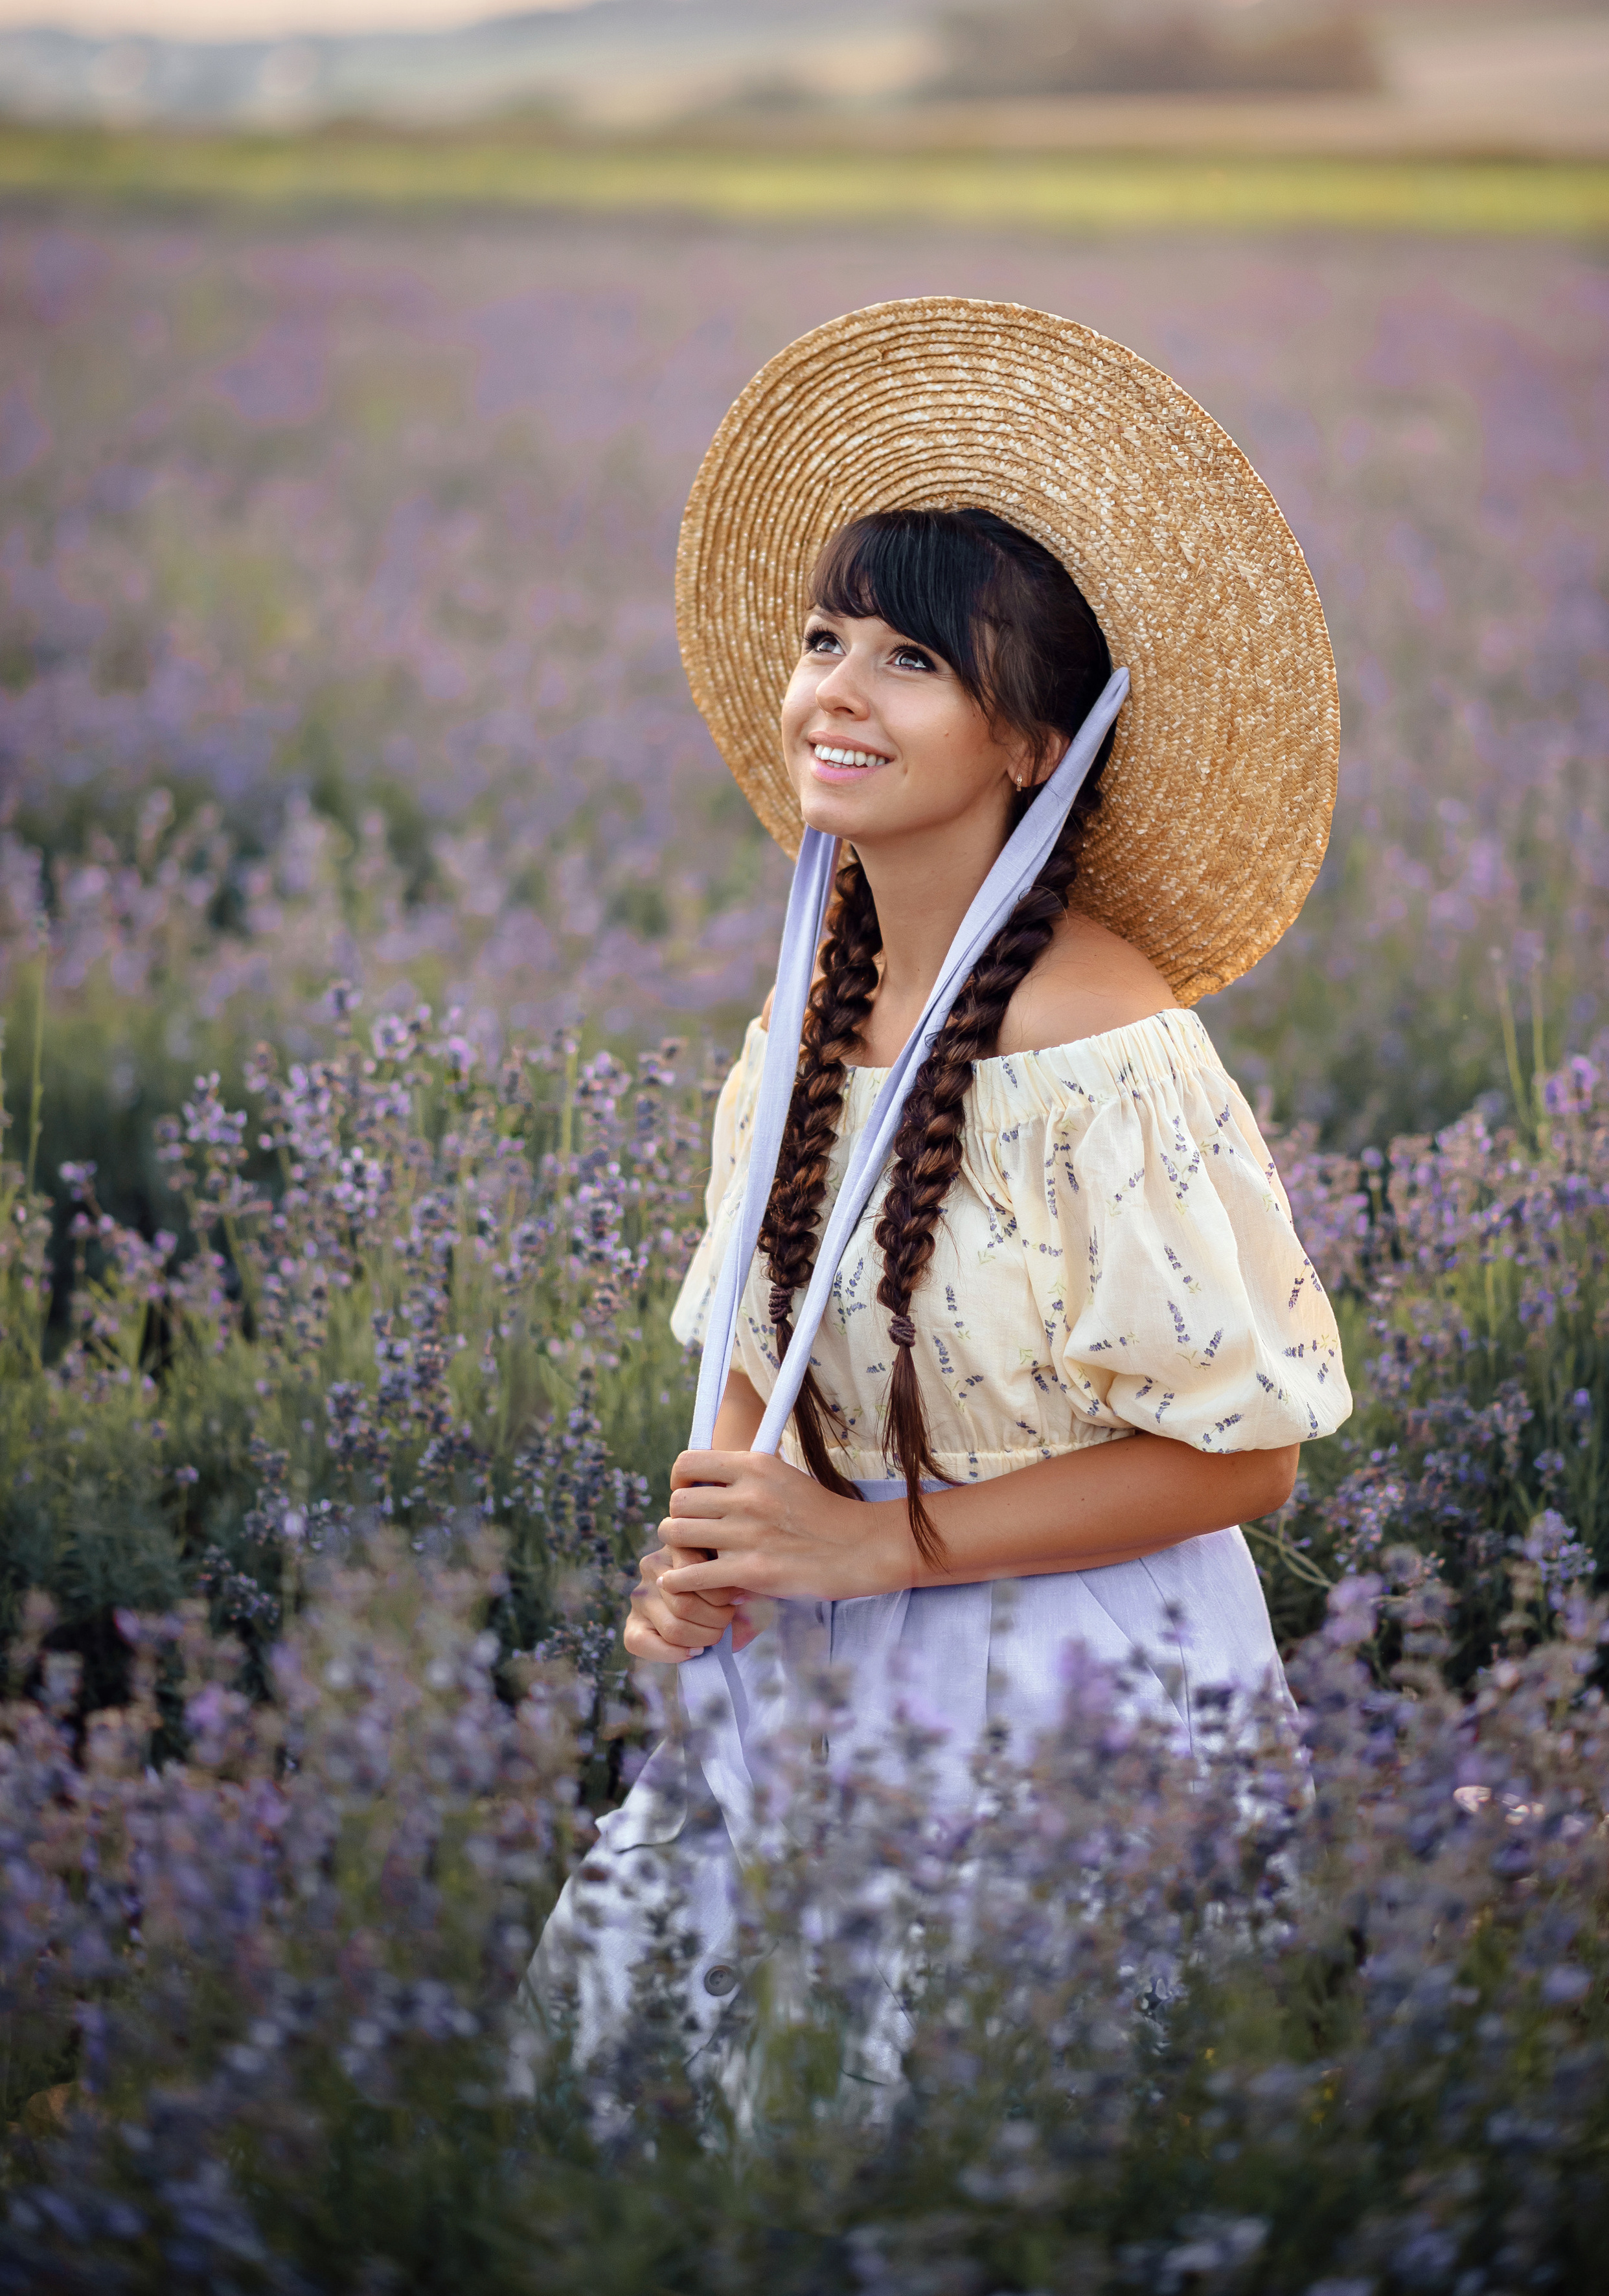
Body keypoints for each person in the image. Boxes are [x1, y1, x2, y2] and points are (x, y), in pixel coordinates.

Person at [523, 295, 1351, 2074]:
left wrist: (872, 1545)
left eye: (910, 659)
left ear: (1033, 742)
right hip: (816, 1667)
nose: (835, 686)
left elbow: (1246, 1456)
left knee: (957, 2133)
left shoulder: (1101, 1052)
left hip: (1072, 1688)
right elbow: (756, 1347)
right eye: (826, 637)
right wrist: (712, 1555)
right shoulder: (804, 1016)